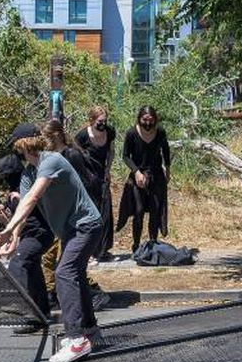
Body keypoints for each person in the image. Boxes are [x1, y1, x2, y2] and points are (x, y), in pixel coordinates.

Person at [0, 135, 103, 362]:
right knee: (75, 274)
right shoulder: (28, 174)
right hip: (71, 231)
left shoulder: (51, 161)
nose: (17, 153)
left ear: (24, 146)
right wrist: (12, 238)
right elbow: (24, 209)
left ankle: (77, 338)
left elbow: (34, 197)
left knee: (64, 273)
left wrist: (8, 228)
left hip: (86, 225)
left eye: (17, 148)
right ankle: (90, 330)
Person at [39, 120, 108, 306]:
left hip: (77, 217)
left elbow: (82, 187)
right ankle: (56, 293)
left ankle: (92, 292)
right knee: (54, 259)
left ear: (57, 135)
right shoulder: (53, 157)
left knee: (67, 264)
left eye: (47, 138)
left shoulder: (71, 155)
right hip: (63, 217)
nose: (44, 142)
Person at [0, 123, 56, 333]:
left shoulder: (44, 167)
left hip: (42, 231)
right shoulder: (26, 176)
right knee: (31, 268)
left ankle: (23, 306)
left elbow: (29, 204)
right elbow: (22, 211)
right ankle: (41, 314)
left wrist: (12, 241)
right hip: (34, 232)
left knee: (20, 262)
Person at [117, 106, 171, 253]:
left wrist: (168, 169)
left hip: (156, 175)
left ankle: (153, 243)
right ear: (139, 119)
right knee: (139, 210)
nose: (148, 123)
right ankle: (136, 245)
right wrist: (136, 172)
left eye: (151, 120)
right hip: (138, 176)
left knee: (155, 209)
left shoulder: (160, 132)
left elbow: (165, 150)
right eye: (145, 120)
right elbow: (125, 156)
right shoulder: (132, 133)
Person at [74, 105, 117, 261]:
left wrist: (108, 169)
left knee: (105, 212)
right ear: (92, 120)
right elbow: (74, 153)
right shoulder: (82, 136)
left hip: (102, 175)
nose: (103, 123)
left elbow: (111, 151)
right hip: (87, 178)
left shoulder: (110, 132)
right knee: (92, 213)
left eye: (105, 120)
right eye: (100, 121)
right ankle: (90, 250)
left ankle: (103, 249)